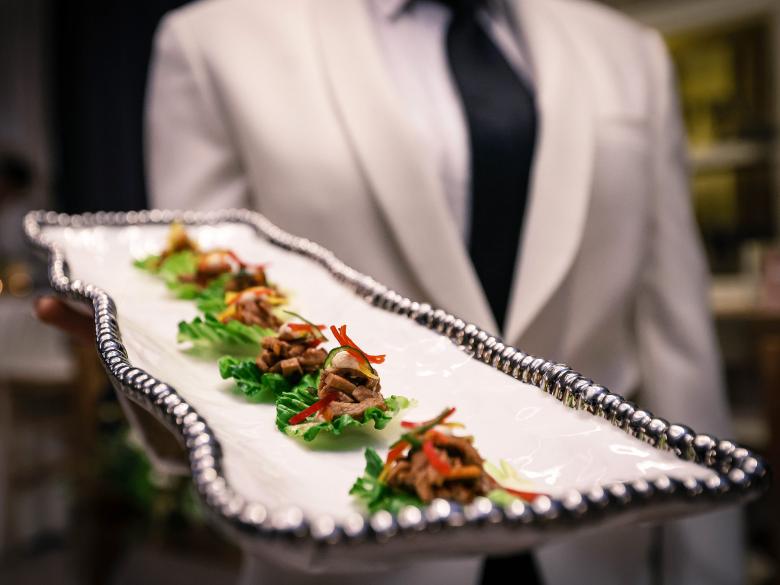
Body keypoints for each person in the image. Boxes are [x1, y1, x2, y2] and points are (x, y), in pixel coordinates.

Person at [38, 0, 743, 583]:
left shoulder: (629, 53)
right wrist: (152, 354)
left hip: (598, 554)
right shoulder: (217, 38)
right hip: (351, 560)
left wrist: (710, 563)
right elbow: (211, 294)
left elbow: (678, 335)